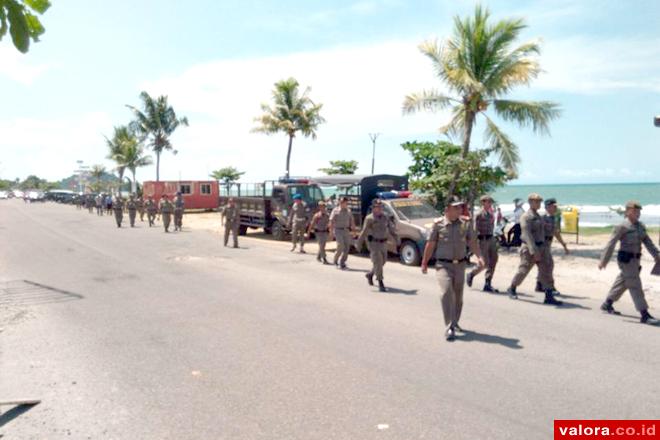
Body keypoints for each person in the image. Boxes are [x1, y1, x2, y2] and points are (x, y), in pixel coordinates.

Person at [421, 196, 484, 341]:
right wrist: (424, 262)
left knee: (458, 296)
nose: (459, 210)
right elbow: (430, 244)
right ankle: (449, 325)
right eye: (455, 207)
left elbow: (472, 242)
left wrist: (479, 256)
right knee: (446, 292)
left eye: (460, 207)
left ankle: (455, 322)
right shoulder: (438, 225)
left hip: (460, 265)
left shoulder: (465, 224)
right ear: (447, 209)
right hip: (443, 265)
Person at [599, 201, 660, 324]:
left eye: (639, 211)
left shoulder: (640, 226)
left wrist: (657, 255)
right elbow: (611, 244)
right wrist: (603, 261)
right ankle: (644, 314)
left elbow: (648, 242)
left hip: (636, 260)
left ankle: (608, 303)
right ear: (627, 212)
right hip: (626, 260)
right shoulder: (622, 226)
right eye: (635, 211)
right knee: (635, 285)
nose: (638, 214)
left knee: (624, 281)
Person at [506, 194, 562, 305]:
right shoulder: (526, 217)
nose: (538, 203)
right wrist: (533, 251)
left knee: (546, 270)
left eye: (539, 202)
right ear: (530, 202)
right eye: (536, 202)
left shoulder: (539, 217)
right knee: (523, 270)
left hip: (541, 247)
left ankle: (549, 295)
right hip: (529, 248)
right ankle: (512, 287)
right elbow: (527, 235)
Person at [357, 199, 398, 292]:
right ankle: (380, 282)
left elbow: (391, 229)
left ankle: (370, 274)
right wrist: (359, 243)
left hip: (383, 243)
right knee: (378, 261)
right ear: (373, 208)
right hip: (374, 244)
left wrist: (396, 239)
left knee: (382, 261)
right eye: (377, 207)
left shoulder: (385, 217)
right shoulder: (369, 218)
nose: (379, 209)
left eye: (381, 207)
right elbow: (364, 232)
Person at [535, 198, 569, 295]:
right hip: (542, 244)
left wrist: (564, 245)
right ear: (547, 207)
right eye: (553, 206)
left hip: (548, 244)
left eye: (555, 206)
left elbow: (556, 233)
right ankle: (550, 287)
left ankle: (540, 285)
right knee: (548, 265)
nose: (555, 208)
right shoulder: (542, 219)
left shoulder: (554, 218)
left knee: (545, 266)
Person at [466, 195, 499, 292]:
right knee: (484, 263)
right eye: (487, 202)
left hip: (491, 238)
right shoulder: (479, 214)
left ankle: (488, 283)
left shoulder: (490, 213)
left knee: (494, 260)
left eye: (490, 202)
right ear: (482, 203)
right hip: (482, 240)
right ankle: (471, 274)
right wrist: (473, 245)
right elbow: (475, 230)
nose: (489, 204)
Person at [330, 197, 357, 269]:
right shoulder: (335, 210)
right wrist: (331, 232)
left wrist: (354, 232)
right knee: (340, 245)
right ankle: (335, 260)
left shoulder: (349, 211)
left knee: (347, 247)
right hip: (338, 230)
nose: (343, 204)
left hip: (346, 231)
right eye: (341, 202)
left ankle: (342, 262)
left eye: (344, 203)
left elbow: (352, 222)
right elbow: (331, 221)